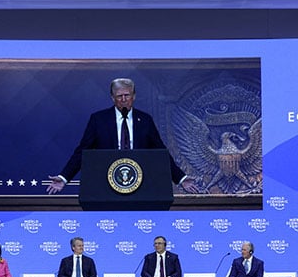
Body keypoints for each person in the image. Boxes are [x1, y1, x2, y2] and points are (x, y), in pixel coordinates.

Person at [46, 77, 198, 195]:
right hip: (106, 185)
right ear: (112, 98)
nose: (124, 100)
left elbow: (161, 153)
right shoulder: (98, 120)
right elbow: (82, 151)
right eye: (119, 96)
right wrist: (64, 178)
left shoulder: (145, 120)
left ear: (134, 96)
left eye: (127, 95)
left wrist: (181, 178)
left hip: (139, 185)